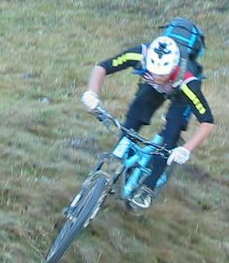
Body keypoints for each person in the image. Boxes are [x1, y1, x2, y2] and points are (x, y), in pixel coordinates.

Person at [80, 18, 215, 211]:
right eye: (154, 73)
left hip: (180, 95)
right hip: (151, 89)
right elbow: (102, 67)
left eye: (162, 75)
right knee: (132, 120)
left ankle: (148, 188)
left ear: (173, 67)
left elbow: (207, 122)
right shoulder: (140, 54)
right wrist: (91, 93)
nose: (158, 78)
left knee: (170, 137)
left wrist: (186, 149)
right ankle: (121, 167)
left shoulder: (189, 82)